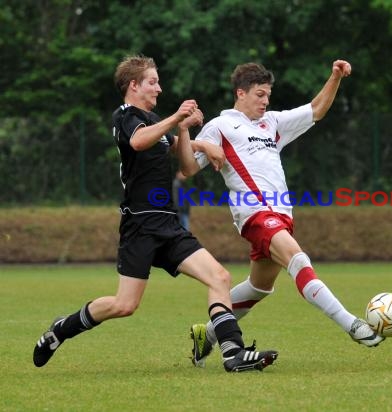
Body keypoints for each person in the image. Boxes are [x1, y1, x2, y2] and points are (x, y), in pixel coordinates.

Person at [32, 55, 277, 372]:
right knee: (124, 305)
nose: (159, 88)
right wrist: (177, 117)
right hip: (140, 225)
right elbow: (138, 141)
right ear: (133, 85)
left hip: (168, 224)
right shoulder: (127, 117)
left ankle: (233, 353)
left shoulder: (155, 122)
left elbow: (181, 157)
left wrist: (195, 138)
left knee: (219, 277)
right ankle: (61, 329)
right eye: (152, 81)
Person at [187, 60, 383, 368]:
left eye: (268, 95)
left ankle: (207, 334)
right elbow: (187, 167)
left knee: (260, 287)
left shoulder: (273, 123)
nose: (266, 101)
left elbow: (316, 110)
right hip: (254, 213)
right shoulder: (220, 126)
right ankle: (352, 325)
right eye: (260, 95)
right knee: (298, 259)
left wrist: (334, 77)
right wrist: (197, 140)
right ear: (241, 93)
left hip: (280, 214)